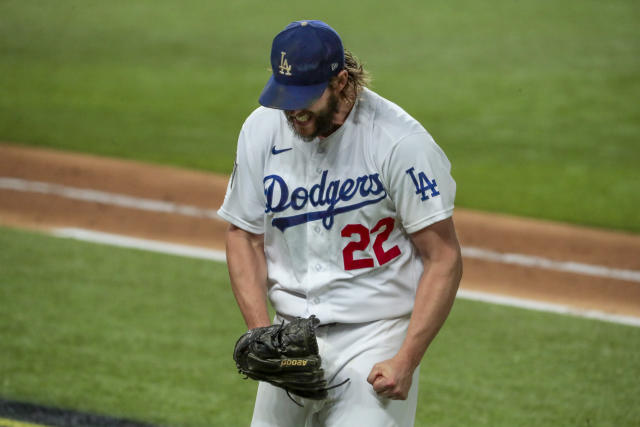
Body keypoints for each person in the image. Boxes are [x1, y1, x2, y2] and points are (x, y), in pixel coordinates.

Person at [218, 19, 463, 427]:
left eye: (304, 97)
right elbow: (243, 234)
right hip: (290, 334)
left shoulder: (398, 143)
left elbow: (443, 257)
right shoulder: (261, 128)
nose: (292, 110)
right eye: (285, 95)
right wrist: (263, 335)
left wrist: (406, 359)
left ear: (341, 81)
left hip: (373, 337)